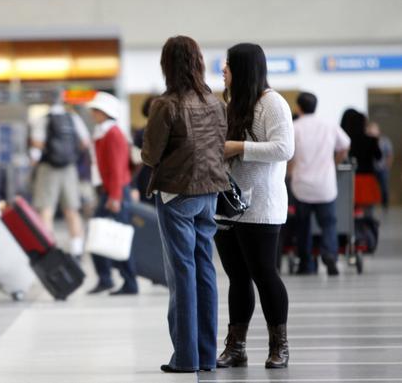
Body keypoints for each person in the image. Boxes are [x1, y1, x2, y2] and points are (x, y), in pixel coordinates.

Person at [141, 36, 228, 373]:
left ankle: (186, 358)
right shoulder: (215, 101)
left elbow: (151, 154)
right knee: (205, 268)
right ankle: (207, 355)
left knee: (182, 274)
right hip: (210, 193)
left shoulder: (167, 104)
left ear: (167, 65)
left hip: (177, 194)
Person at [215, 43, 294, 370]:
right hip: (228, 205)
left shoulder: (272, 103)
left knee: (264, 274)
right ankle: (236, 346)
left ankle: (280, 346)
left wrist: (236, 147)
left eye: (228, 66)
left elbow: (284, 148)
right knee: (237, 277)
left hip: (262, 206)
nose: (223, 72)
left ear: (243, 69)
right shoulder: (233, 104)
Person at [289, 92, 350, 276]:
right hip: (325, 186)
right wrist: (335, 162)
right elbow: (345, 145)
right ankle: (330, 255)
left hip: (301, 186)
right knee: (328, 224)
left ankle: (306, 263)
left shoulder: (294, 127)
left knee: (303, 225)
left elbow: (287, 154)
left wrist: (289, 171)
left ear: (299, 108)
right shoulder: (329, 125)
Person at [85, 92, 139, 296]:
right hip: (110, 191)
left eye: (96, 110)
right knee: (101, 233)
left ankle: (127, 282)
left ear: (105, 113)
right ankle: (106, 277)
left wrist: (115, 196)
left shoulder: (113, 134)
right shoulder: (103, 133)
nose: (93, 114)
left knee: (119, 237)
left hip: (115, 192)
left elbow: (117, 168)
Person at [29, 90, 90, 259]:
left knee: (46, 211)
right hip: (69, 169)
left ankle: (49, 251)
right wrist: (71, 155)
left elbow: (37, 144)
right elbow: (85, 142)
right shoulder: (73, 117)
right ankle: (77, 251)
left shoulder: (43, 119)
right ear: (62, 100)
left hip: (48, 168)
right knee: (72, 210)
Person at [341, 110, 382, 210]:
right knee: (367, 211)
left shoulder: (346, 140)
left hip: (350, 177)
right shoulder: (371, 140)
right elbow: (379, 156)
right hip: (367, 177)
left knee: (349, 211)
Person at [132, 96, 158, 204]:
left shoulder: (173, 131)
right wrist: (133, 186)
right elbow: (135, 160)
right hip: (146, 180)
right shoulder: (140, 134)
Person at [367, 121, 393, 210]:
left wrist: (387, 166)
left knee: (384, 187)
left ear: (378, 131)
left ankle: (385, 204)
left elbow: (389, 154)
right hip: (371, 169)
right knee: (371, 188)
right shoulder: (367, 141)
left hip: (383, 168)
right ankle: (372, 205)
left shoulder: (385, 141)